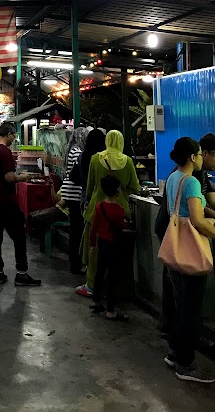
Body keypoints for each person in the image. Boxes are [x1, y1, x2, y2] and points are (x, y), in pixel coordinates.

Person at [163, 137, 215, 383]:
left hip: (176, 250)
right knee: (190, 310)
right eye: (201, 154)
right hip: (191, 252)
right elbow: (197, 220)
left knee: (180, 305)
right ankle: (186, 364)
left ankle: (174, 353)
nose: (203, 158)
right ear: (193, 157)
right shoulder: (191, 181)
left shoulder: (173, 178)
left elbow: (183, 213)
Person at [79, 130, 139, 299]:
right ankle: (114, 290)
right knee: (117, 255)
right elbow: (135, 187)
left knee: (94, 252)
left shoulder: (95, 159)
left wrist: (91, 198)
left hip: (97, 209)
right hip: (120, 212)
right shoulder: (127, 161)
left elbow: (89, 186)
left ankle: (91, 286)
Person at [0, 122, 41, 287]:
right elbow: (9, 177)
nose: (14, 139)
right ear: (8, 134)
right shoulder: (5, 151)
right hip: (6, 200)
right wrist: (22, 177)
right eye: (14, 136)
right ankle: (22, 273)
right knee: (19, 235)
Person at [89, 175, 130, 321]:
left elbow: (94, 227)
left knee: (100, 272)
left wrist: (92, 244)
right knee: (112, 277)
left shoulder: (99, 206)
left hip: (102, 243)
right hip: (114, 245)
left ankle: (96, 301)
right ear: (117, 189)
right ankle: (111, 310)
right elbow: (122, 226)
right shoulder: (119, 210)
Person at [60, 127, 89, 275]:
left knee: (74, 228)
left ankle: (74, 261)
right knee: (77, 229)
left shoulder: (71, 149)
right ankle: (75, 263)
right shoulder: (78, 152)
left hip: (68, 192)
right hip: (74, 193)